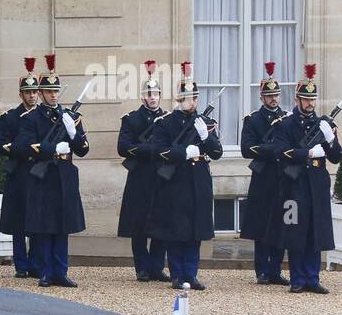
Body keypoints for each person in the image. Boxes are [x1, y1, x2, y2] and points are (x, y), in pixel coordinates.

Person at [146, 62, 222, 290]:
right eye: (186, 97)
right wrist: (182, 153)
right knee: (176, 230)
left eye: (194, 97)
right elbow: (156, 151)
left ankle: (191, 273)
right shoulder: (166, 123)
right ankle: (178, 274)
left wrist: (205, 137)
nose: (191, 101)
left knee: (195, 231)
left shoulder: (205, 122)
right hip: (176, 182)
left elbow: (216, 152)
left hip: (198, 181)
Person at [14, 54, 88, 287]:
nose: (53, 95)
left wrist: (73, 134)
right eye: (49, 91)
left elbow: (84, 149)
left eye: (56, 91)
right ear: (42, 93)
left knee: (62, 227)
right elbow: (25, 146)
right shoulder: (32, 118)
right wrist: (52, 148)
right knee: (45, 227)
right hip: (44, 176)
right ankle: (45, 271)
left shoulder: (70, 117)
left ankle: (60, 270)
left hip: (64, 176)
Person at [267, 64, 340, 293]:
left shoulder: (323, 125)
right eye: (305, 99)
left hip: (317, 185)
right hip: (294, 185)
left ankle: (312, 277)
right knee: (295, 231)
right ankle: (297, 278)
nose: (310, 103)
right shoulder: (285, 125)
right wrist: (307, 153)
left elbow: (336, 157)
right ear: (297, 99)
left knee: (315, 232)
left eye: (313, 99)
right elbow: (281, 152)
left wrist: (331, 140)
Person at [117, 60, 169, 282]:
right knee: (138, 225)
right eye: (149, 93)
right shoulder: (132, 119)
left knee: (161, 222)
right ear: (142, 97)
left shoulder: (167, 119)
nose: (153, 97)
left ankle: (157, 267)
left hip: (160, 177)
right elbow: (123, 147)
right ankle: (142, 267)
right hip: (139, 176)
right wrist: (149, 150)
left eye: (156, 93)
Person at [240, 62, 290, 285]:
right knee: (262, 225)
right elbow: (247, 149)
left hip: (282, 176)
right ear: (261, 97)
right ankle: (261, 270)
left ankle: (275, 269)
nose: (274, 99)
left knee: (280, 224)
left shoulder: (288, 119)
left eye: (276, 95)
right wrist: (272, 149)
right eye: (269, 95)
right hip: (263, 177)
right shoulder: (253, 120)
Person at [0, 57, 42, 278]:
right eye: (28, 92)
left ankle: (35, 263)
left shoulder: (44, 116)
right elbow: (1, 145)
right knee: (18, 221)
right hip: (18, 173)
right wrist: (24, 149)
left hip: (38, 174)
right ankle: (20, 264)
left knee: (37, 220)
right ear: (21, 94)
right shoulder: (10, 118)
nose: (32, 95)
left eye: (35, 92)